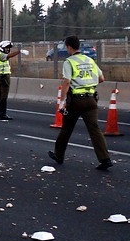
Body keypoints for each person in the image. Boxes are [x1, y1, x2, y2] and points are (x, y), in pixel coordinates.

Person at [48, 35, 113, 170]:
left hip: (76, 100)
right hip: (91, 99)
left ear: (69, 47)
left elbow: (66, 82)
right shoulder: (89, 60)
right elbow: (101, 78)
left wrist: (62, 102)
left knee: (66, 128)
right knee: (95, 130)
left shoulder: (69, 62)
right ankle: (105, 159)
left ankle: (59, 155)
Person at [0, 40, 28, 120]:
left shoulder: (0, 54)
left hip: (3, 76)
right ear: (2, 48)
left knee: (2, 96)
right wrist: (19, 52)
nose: (8, 49)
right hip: (4, 77)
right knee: (3, 96)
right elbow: (8, 56)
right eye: (6, 47)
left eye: (8, 48)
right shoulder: (1, 55)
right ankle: (2, 114)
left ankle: (1, 113)